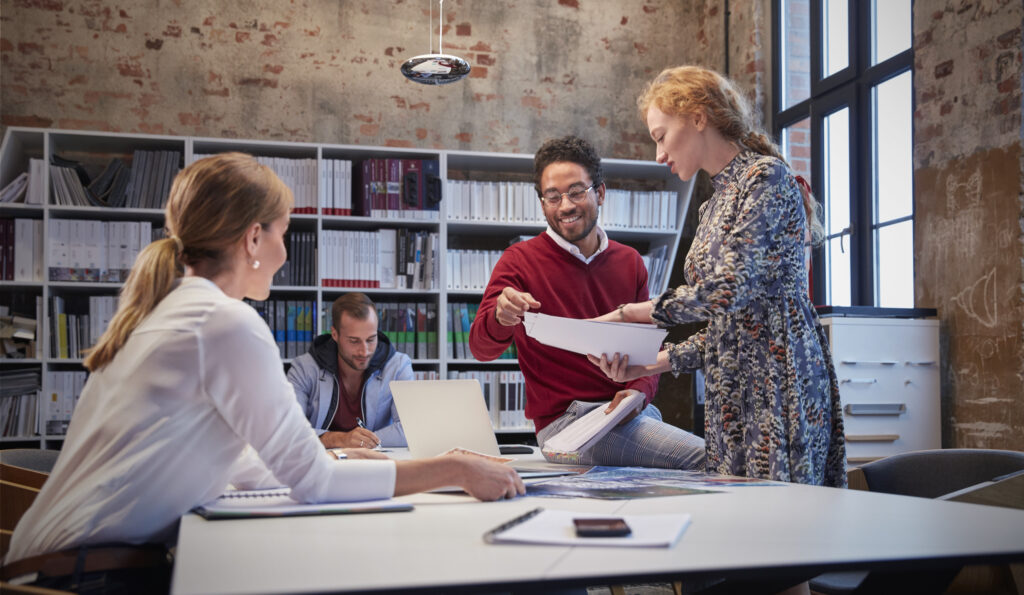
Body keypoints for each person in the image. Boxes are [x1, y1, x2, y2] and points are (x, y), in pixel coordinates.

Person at [6, 153, 523, 591]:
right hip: (83, 576)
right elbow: (314, 482)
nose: (284, 251)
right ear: (253, 238)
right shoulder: (225, 322)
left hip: (56, 566)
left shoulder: (171, 311)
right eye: (284, 232)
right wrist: (453, 467)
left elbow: (255, 469)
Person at [589, 65, 847, 487]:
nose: (659, 155)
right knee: (739, 522)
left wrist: (634, 313)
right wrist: (650, 364)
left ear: (697, 117)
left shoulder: (766, 178)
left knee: (780, 525)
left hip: (777, 382)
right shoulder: (712, 206)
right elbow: (727, 327)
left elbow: (727, 290)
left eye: (660, 136)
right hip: (732, 390)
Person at [469, 135, 705, 470]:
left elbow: (646, 351)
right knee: (706, 457)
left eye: (576, 192)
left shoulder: (630, 262)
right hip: (564, 424)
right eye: (552, 197)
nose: (565, 205)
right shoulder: (518, 261)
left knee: (690, 459)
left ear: (601, 192)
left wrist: (638, 393)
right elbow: (481, 350)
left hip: (624, 414)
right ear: (542, 203)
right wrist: (499, 317)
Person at [288, 292, 411, 449]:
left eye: (371, 339)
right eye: (354, 341)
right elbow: (289, 431)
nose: (364, 351)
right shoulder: (303, 368)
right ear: (335, 334)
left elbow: (410, 429)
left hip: (377, 463)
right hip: (323, 464)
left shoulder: (399, 366)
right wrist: (340, 439)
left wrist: (360, 442)